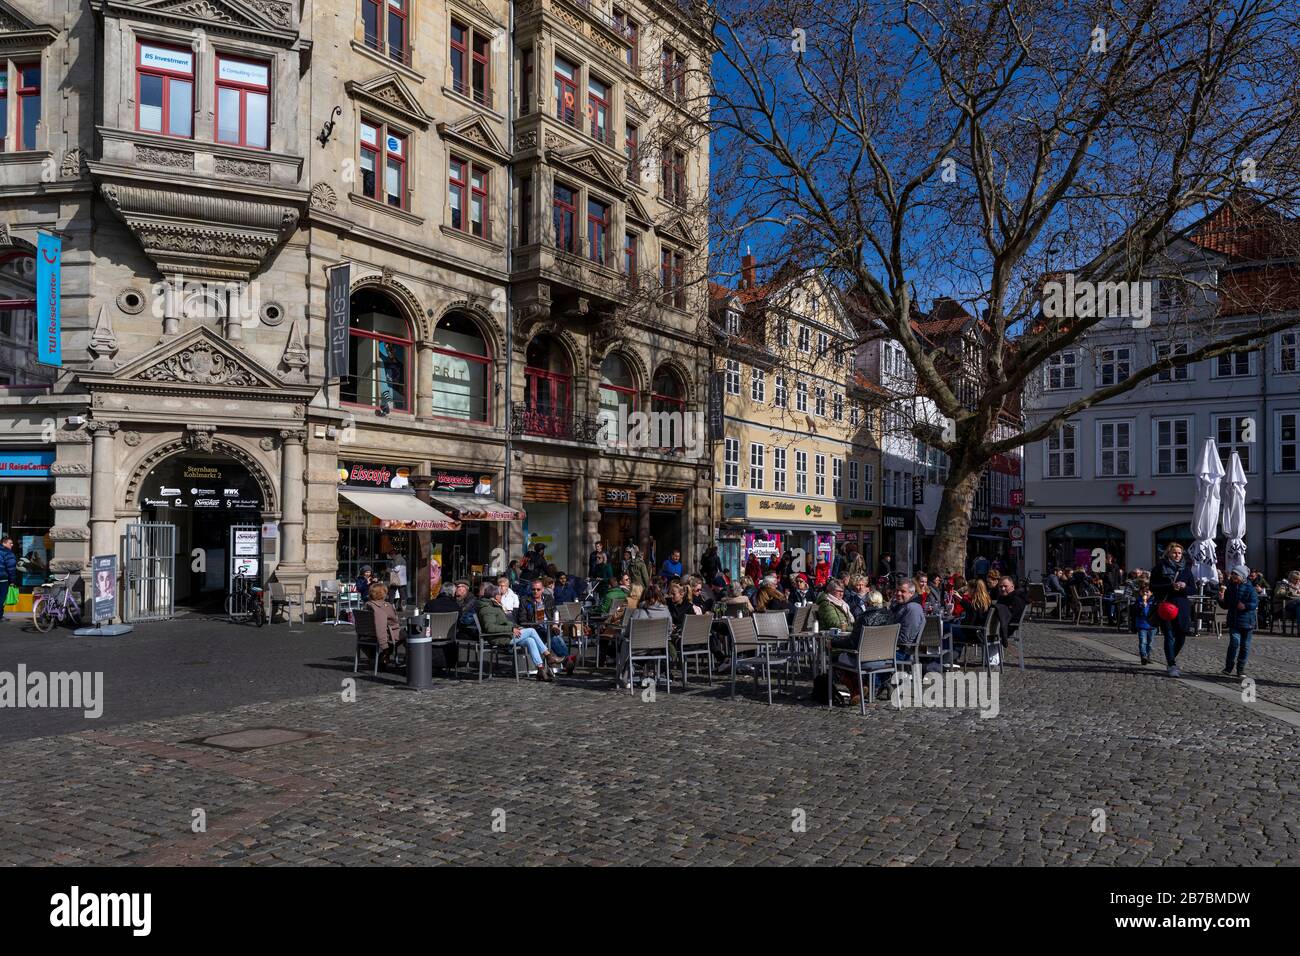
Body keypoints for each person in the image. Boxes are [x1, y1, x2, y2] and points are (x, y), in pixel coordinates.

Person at [476, 582, 564, 682]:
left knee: (530, 640)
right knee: (531, 630)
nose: (502, 596)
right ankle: (548, 655)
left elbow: (504, 622)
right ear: (495, 596)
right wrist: (511, 629)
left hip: (505, 635)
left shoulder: (494, 605)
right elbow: (490, 628)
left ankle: (540, 669)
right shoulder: (487, 609)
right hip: (499, 637)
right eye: (500, 594)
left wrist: (516, 627)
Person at [1149, 542, 1196, 677]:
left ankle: (1171, 658)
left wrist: (1184, 587)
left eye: (1180, 553)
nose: (1177, 555)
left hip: (1182, 605)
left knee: (1181, 636)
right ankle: (1171, 664)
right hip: (1166, 606)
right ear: (1168, 553)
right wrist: (1170, 586)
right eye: (1174, 552)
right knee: (1169, 635)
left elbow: (1193, 589)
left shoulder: (1186, 569)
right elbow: (1153, 586)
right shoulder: (1159, 567)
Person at [617, 584, 672, 688]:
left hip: (638, 649)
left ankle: (625, 676)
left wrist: (622, 635)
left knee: (623, 642)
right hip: (659, 647)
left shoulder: (638, 612)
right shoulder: (665, 612)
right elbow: (669, 631)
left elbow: (628, 633)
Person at [519, 578, 574, 673]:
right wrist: (534, 623)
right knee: (552, 636)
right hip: (535, 629)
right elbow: (522, 619)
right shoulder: (525, 600)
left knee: (555, 635)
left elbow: (555, 612)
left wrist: (555, 625)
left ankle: (565, 660)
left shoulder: (548, 598)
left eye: (538, 589)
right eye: (533, 589)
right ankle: (567, 661)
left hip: (549, 626)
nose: (535, 591)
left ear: (543, 589)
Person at [1218, 566, 1258, 678]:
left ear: (1242, 576)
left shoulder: (1250, 588)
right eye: (1233, 574)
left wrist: (1245, 606)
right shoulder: (1230, 588)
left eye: (1236, 574)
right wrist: (1221, 599)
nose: (1234, 576)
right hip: (1234, 621)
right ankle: (1228, 667)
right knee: (1234, 643)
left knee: (1245, 646)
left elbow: (1255, 603)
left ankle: (1240, 669)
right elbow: (1226, 605)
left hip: (1247, 622)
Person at [362, 582, 404, 669]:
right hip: (388, 634)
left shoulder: (367, 606)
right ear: (383, 594)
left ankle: (381, 657)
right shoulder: (385, 607)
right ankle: (409, 659)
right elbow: (381, 627)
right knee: (411, 634)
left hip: (367, 634)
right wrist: (385, 647)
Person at [1131, 583, 1156, 665]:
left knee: (1150, 643)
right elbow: (1134, 612)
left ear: (1151, 593)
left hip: (1152, 625)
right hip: (1142, 625)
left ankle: (1148, 656)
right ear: (1141, 592)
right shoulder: (1138, 601)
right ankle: (1143, 656)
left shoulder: (1154, 602)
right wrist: (1141, 606)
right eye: (1144, 592)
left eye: (1147, 592)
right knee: (1143, 642)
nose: (1146, 594)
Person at [0, 535, 16, 622]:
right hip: (2, 579)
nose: (12, 545)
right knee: (1, 598)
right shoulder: (8, 553)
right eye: (10, 543)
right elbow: (11, 569)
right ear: (4, 543)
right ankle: (0, 616)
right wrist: (12, 581)